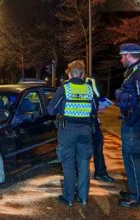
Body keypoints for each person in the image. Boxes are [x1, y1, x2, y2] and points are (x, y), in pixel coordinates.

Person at [48, 60, 97, 207]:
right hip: (85, 131)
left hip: (68, 130)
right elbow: (94, 109)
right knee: (84, 164)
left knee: (68, 164)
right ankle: (83, 197)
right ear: (83, 74)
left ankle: (69, 198)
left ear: (69, 73)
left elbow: (51, 110)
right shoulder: (89, 89)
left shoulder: (64, 88)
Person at [115, 43, 140, 208]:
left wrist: (131, 121)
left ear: (129, 55)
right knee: (129, 157)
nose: (121, 59)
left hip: (135, 123)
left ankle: (138, 197)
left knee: (133, 158)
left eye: (122, 56)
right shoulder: (133, 72)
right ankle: (134, 191)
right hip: (131, 121)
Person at [85, 77, 115, 183]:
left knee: (94, 148)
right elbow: (94, 104)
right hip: (90, 123)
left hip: (86, 123)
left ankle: (95, 174)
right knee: (97, 148)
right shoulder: (88, 87)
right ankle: (100, 173)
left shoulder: (70, 87)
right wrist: (99, 107)